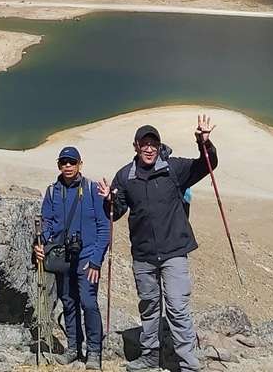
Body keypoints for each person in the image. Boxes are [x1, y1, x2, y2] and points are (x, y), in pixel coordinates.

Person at [100, 117, 217, 372]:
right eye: (145, 144)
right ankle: (150, 356)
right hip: (143, 255)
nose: (150, 148)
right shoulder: (125, 176)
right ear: (136, 147)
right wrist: (109, 200)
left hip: (174, 250)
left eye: (154, 144)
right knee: (149, 307)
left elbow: (206, 165)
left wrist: (204, 143)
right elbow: (116, 211)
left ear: (159, 146)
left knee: (177, 307)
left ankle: (187, 364)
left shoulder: (173, 169)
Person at [35, 146, 111, 370]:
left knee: (88, 302)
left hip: (87, 257)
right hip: (63, 256)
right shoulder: (52, 192)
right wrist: (40, 244)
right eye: (64, 162)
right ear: (59, 165)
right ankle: (73, 349)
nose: (68, 166)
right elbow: (47, 223)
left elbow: (103, 229)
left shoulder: (92, 190)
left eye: (72, 162)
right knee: (68, 303)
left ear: (80, 164)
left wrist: (96, 260)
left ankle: (94, 352)